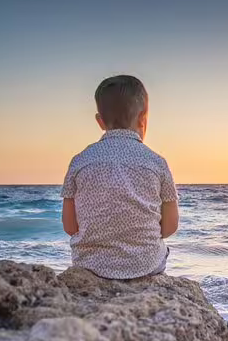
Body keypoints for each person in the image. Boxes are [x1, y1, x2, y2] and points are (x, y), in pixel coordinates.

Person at [61, 75, 179, 279]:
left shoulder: (79, 161)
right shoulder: (157, 162)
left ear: (99, 121)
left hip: (90, 265)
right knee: (162, 252)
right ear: (143, 118)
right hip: (145, 264)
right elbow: (170, 227)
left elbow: (70, 226)